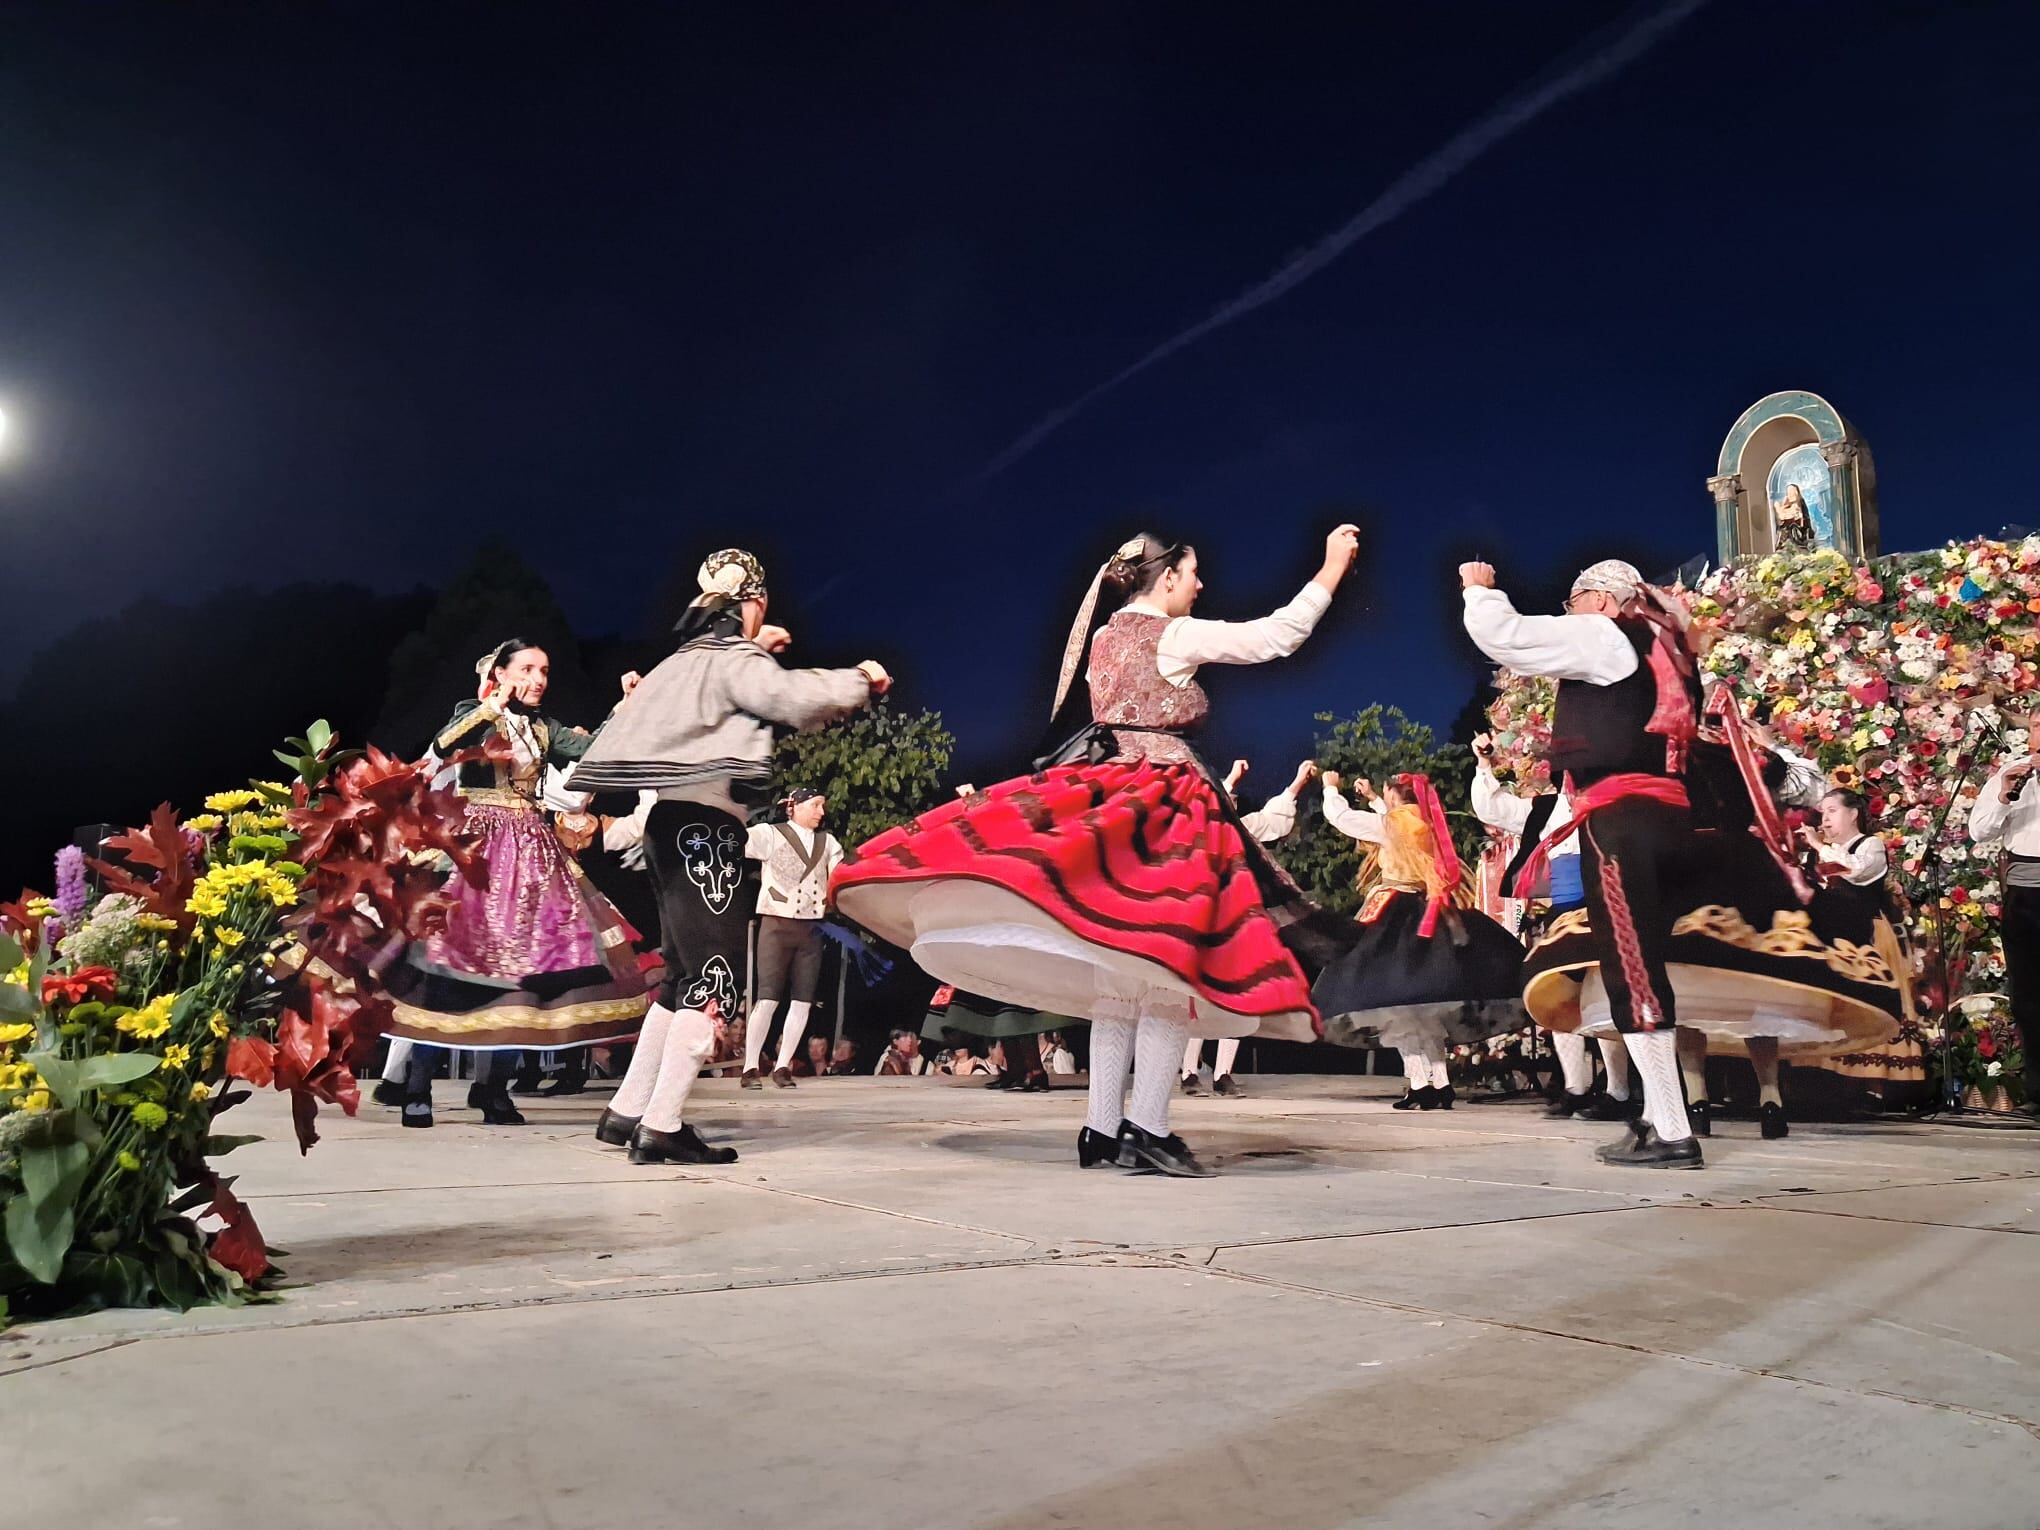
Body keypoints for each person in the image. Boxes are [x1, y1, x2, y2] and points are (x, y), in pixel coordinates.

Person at [835, 524, 1361, 1176]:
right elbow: (1275, 636)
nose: (1200, 585)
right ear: (1167, 578)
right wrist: (1332, 567)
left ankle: (1100, 1129)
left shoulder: (1106, 637)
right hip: (1167, 806)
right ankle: (1150, 1128)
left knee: (1120, 981)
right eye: (1193, 573)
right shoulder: (1173, 634)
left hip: (1111, 797)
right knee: (1167, 967)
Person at [566, 548, 888, 1165]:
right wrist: (861, 678)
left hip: (667, 825)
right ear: (755, 601)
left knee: (681, 978)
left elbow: (715, 696)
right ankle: (661, 1124)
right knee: (712, 977)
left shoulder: (680, 662)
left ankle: (627, 1111)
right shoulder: (731, 658)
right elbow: (790, 697)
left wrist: (755, 645)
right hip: (706, 828)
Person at [1461, 558, 1707, 1168]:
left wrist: (1480, 592)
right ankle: (1655, 1115)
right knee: (1649, 960)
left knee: (1632, 968)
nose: (1570, 611)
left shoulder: (1605, 634)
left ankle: (1673, 1130)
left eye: (1573, 601)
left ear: (1598, 599)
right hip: (1674, 818)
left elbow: (1507, 637)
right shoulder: (1670, 655)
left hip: (1621, 822)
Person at [383, 639, 650, 1129]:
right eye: (526, 669)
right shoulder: (474, 713)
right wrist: (491, 706)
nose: (538, 679)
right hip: (476, 850)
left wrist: (625, 707)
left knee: (526, 972)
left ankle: (493, 1090)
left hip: (531, 856)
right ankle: (417, 1087)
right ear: (501, 674)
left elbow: (593, 750)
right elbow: (442, 746)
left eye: (544, 671)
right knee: (450, 964)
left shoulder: (545, 728)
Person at [1311, 770, 1526, 1109]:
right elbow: (1397, 829)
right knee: (1424, 1007)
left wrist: (1330, 789)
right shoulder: (1425, 823)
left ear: (1393, 795)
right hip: (1428, 910)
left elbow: (1343, 818)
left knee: (1396, 1005)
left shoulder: (1390, 824)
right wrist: (1375, 799)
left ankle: (1419, 1084)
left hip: (1394, 915)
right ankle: (1440, 1083)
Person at [1468, 735, 1639, 1123]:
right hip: (1563, 916)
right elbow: (1492, 808)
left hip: (1605, 909)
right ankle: (1576, 1089)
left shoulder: (1610, 803)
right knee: (1559, 999)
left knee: (1603, 998)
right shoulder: (1546, 808)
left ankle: (1619, 1091)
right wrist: (1484, 763)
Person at [1182, 758, 1319, 1097]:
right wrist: (1231, 779)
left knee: (1241, 995)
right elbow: (1212, 805)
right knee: (1201, 996)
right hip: (1205, 923)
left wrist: (1298, 782)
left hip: (1239, 923)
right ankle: (1188, 1070)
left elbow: (1273, 818)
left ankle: (1223, 1073)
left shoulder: (1242, 830)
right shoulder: (1198, 831)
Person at [738, 787, 847, 1089]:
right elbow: (737, 842)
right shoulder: (770, 834)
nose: (821, 812)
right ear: (795, 806)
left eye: (822, 805)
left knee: (802, 1001)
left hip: (811, 929)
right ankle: (750, 1066)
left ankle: (783, 1065)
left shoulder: (829, 843)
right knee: (768, 997)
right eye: (815, 805)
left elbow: (840, 877)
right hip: (776, 925)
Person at [1968, 719, 2040, 1117]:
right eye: (2035, 726)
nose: (2038, 734)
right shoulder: (2013, 773)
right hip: (2025, 893)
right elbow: (1979, 831)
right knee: (2028, 995)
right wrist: (2002, 796)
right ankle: (2039, 1093)